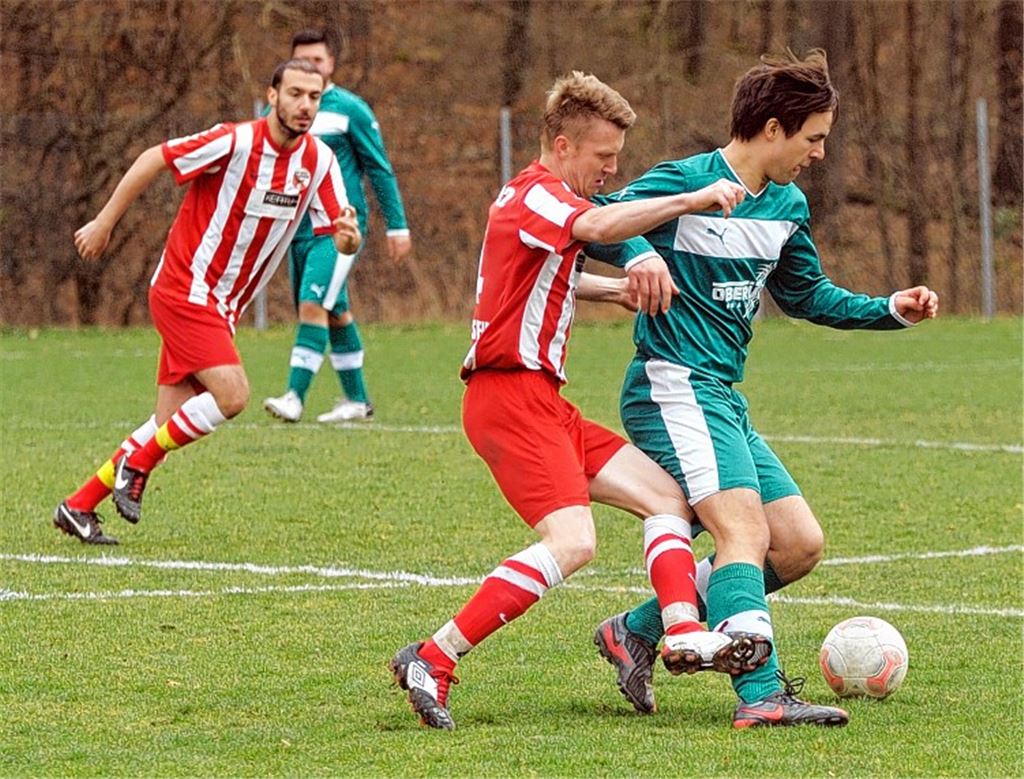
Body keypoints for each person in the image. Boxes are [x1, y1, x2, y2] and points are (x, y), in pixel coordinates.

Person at [389, 72, 770, 731]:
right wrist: (690, 199)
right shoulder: (539, 193)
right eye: (604, 156)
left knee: (667, 499)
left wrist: (612, 290)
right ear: (562, 145)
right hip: (509, 397)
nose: (612, 169)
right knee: (572, 542)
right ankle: (433, 656)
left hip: (542, 401)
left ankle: (681, 630)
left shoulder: (540, 201)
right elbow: (594, 224)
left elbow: (542, 274)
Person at [585, 49, 939, 728]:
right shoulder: (686, 183)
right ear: (773, 128)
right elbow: (596, 221)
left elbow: (807, 295)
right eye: (814, 138)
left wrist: (890, 308)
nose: (820, 154)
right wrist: (643, 251)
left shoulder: (787, 205)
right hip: (672, 384)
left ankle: (635, 629)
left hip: (721, 394)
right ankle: (761, 693)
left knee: (797, 543)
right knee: (743, 529)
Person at [52, 59, 361, 545]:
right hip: (185, 290)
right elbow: (154, 157)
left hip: (223, 307)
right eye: (295, 93)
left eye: (314, 96)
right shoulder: (235, 142)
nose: (305, 105)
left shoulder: (319, 161)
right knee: (232, 396)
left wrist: (349, 238)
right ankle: (140, 463)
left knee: (166, 423)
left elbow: (337, 235)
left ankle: (78, 505)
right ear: (272, 95)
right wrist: (104, 222)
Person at [263, 28, 411, 424]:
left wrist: (397, 226)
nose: (310, 66)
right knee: (333, 309)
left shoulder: (350, 110)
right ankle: (357, 400)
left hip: (339, 227)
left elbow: (379, 169)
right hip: (294, 229)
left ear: (331, 63)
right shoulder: (277, 113)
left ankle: (294, 396)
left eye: (317, 60)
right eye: (302, 60)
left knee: (313, 305)